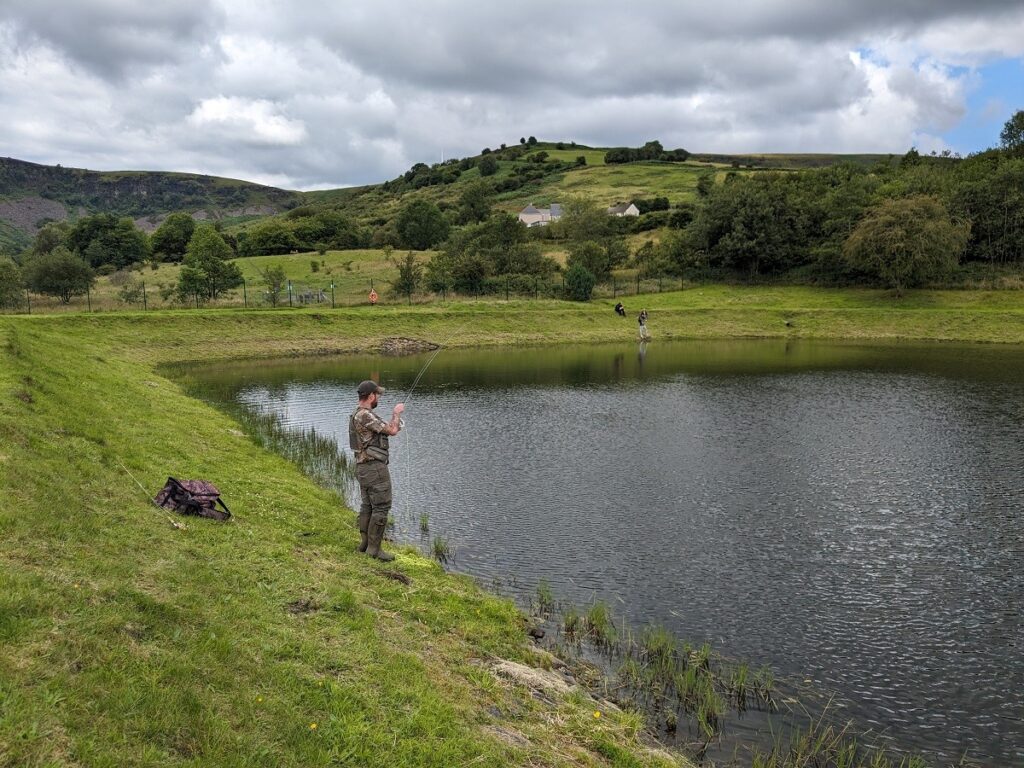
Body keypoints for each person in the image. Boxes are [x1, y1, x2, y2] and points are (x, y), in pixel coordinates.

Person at [348, 380, 405, 561]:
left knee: (368, 506)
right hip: (374, 468)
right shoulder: (366, 415)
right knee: (381, 506)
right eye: (377, 394)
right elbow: (392, 430)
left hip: (362, 468)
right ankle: (375, 550)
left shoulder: (357, 414)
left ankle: (365, 545)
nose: (378, 397)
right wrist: (396, 413)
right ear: (371, 396)